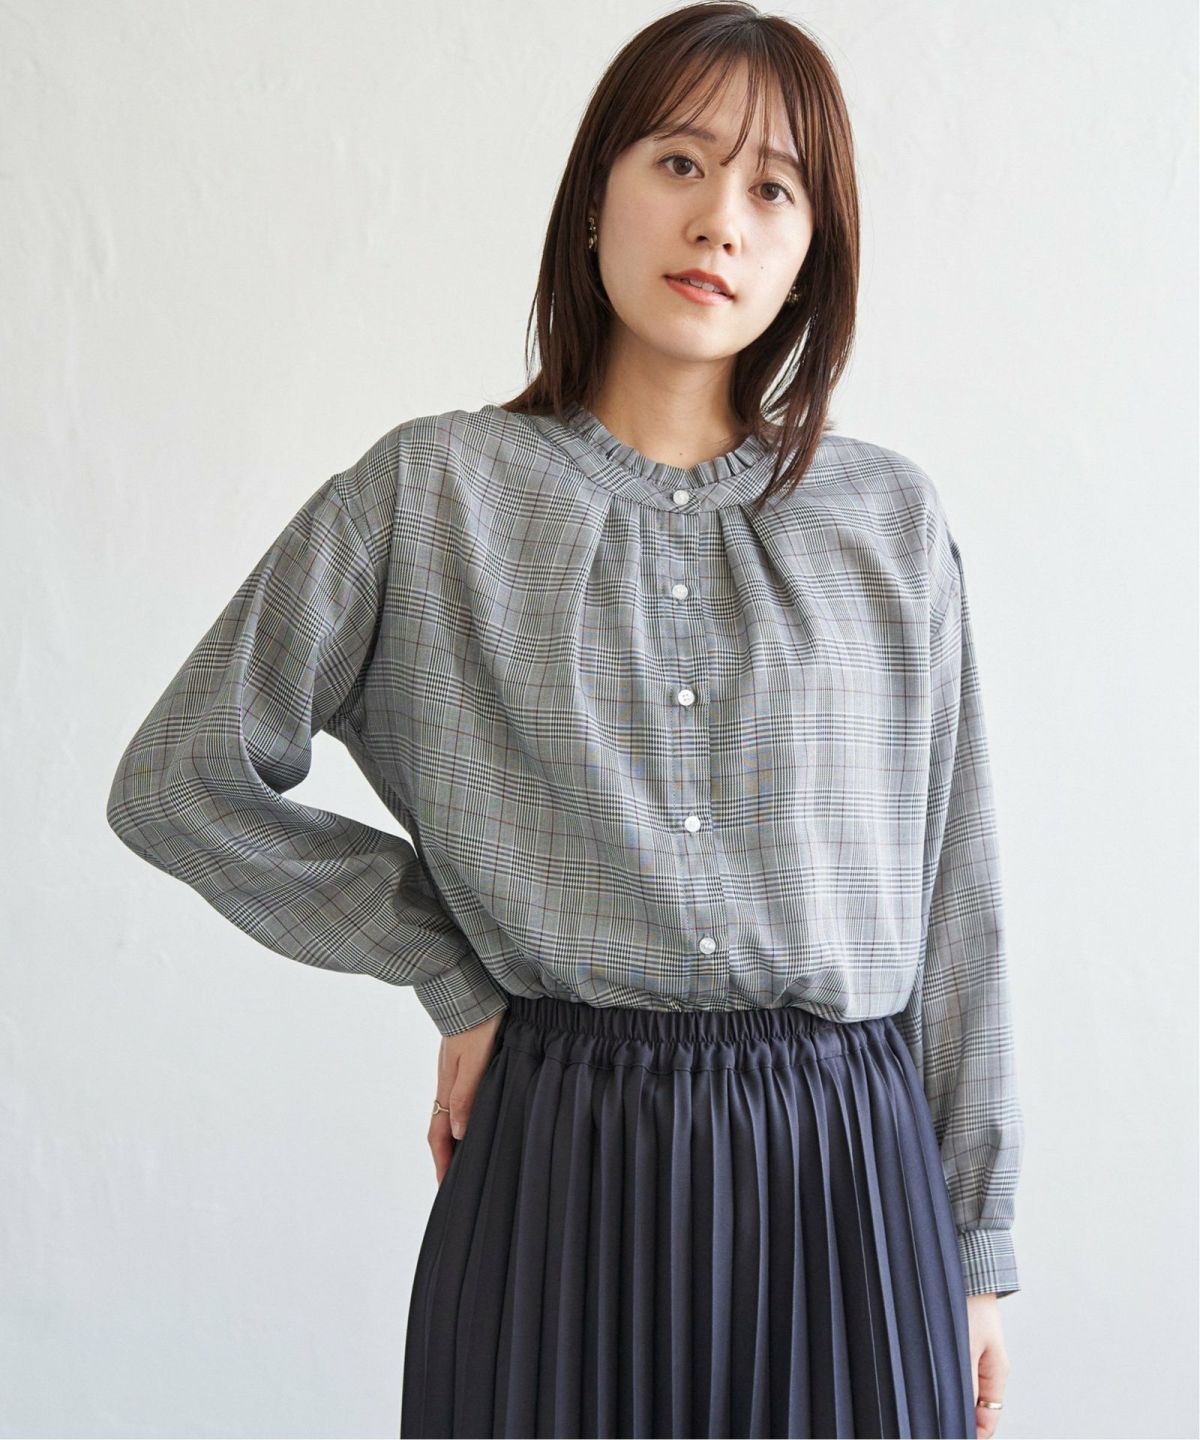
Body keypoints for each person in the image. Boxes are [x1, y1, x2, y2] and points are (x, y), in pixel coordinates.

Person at [104, 4, 1024, 1436]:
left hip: (851, 1178)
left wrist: (974, 1250)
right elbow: (181, 777)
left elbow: (954, 899)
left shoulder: (887, 521)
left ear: (813, 252)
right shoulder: (434, 494)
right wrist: (449, 971)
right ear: (597, 191)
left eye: (774, 189)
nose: (720, 220)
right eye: (680, 162)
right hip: (561, 1160)